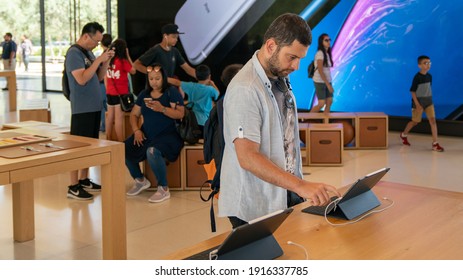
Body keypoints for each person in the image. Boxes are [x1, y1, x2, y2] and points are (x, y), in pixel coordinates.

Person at [219, 13, 341, 228]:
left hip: (285, 191)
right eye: (292, 57)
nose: (296, 67)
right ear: (271, 46)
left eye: (300, 59)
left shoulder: (278, 75)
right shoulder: (245, 88)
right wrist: (301, 185)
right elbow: (247, 157)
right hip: (255, 203)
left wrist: (297, 186)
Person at [65, 22, 115, 200]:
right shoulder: (74, 54)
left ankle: (84, 179)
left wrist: (105, 60)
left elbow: (99, 77)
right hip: (82, 109)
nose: (97, 44)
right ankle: (73, 185)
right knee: (77, 148)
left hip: (94, 107)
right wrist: (98, 61)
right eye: (96, 40)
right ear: (86, 36)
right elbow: (82, 79)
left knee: (89, 146)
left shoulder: (89, 53)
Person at [125, 63, 185, 203]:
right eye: (151, 79)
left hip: (169, 135)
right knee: (123, 149)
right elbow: (134, 115)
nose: (154, 82)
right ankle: (140, 180)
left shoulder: (171, 92)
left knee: (152, 151)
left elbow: (179, 114)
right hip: (147, 133)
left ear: (163, 78)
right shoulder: (144, 94)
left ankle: (163, 188)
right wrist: (136, 130)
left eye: (157, 78)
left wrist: (162, 109)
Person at [400, 55, 444, 152]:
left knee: (433, 121)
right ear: (419, 65)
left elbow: (427, 89)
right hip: (418, 103)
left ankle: (435, 144)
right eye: (425, 63)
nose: (428, 65)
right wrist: (418, 104)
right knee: (415, 122)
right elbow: (412, 91)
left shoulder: (429, 76)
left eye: (429, 63)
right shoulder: (417, 77)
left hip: (429, 102)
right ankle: (403, 134)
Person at [105, 38, 136, 142]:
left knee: (110, 117)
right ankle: (121, 142)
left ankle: (108, 138)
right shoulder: (122, 61)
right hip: (120, 94)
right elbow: (133, 71)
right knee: (119, 119)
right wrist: (128, 56)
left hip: (110, 92)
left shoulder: (109, 61)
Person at [177, 64, 219, 134]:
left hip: (191, 121)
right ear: (209, 76)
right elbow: (217, 94)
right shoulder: (210, 89)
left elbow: (177, 83)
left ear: (196, 76)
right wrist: (213, 84)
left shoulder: (191, 86)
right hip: (205, 121)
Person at [310, 33, 334, 114]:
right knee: (321, 103)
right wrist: (328, 85)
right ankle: (305, 120)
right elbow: (320, 71)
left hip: (327, 80)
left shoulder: (327, 53)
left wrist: (328, 83)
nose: (328, 42)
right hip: (320, 81)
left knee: (329, 101)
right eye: (326, 40)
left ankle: (325, 122)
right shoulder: (320, 53)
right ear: (321, 42)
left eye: (329, 40)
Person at [99, 33, 113, 132]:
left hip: (104, 84)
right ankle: (107, 127)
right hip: (112, 83)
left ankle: (104, 126)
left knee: (103, 106)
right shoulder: (113, 53)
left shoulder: (104, 55)